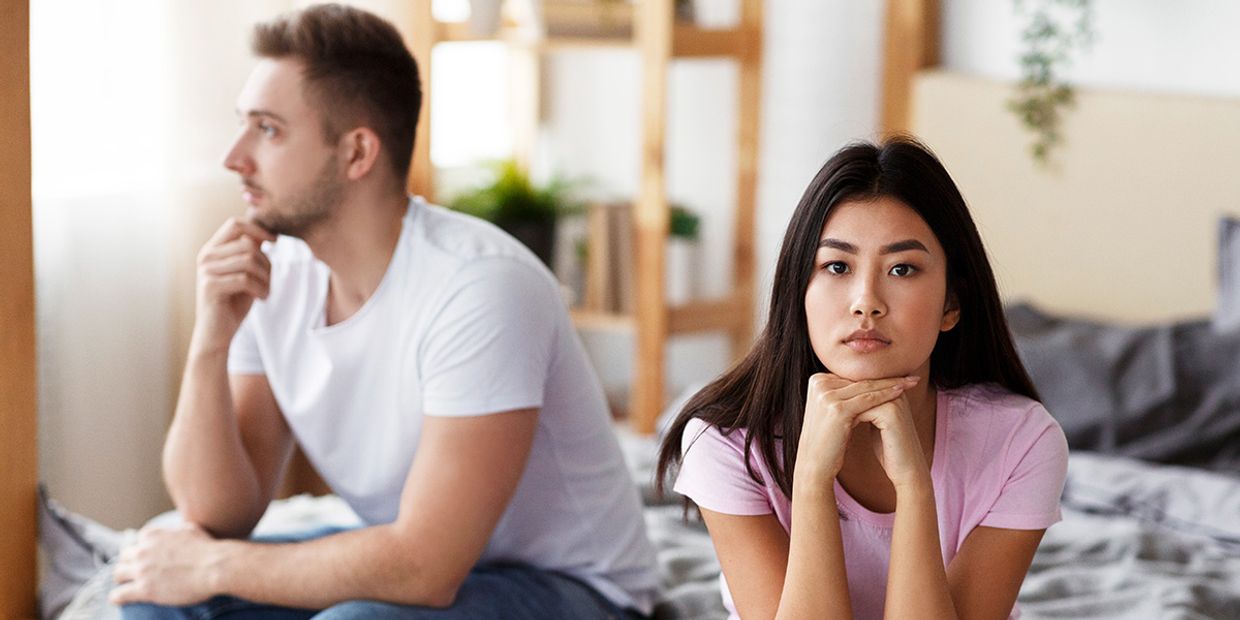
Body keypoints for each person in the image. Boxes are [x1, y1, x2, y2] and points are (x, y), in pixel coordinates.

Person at [109, 4, 657, 618]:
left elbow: (425, 568)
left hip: (570, 587)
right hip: (426, 563)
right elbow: (216, 515)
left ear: (356, 152)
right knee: (156, 595)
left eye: (267, 129)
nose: (233, 157)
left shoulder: (479, 288)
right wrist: (211, 336)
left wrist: (213, 566)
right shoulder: (274, 273)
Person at [656, 137, 1068, 620]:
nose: (865, 301)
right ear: (798, 291)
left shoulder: (1021, 441)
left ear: (951, 304)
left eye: (901, 268)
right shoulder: (726, 441)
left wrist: (915, 487)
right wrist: (810, 480)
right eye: (836, 266)